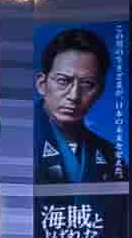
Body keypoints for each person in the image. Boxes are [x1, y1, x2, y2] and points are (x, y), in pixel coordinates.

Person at [35, 27, 126, 183]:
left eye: (87, 84)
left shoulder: (110, 155)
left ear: (100, 90)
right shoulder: (23, 142)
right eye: (63, 81)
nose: (74, 96)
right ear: (42, 84)